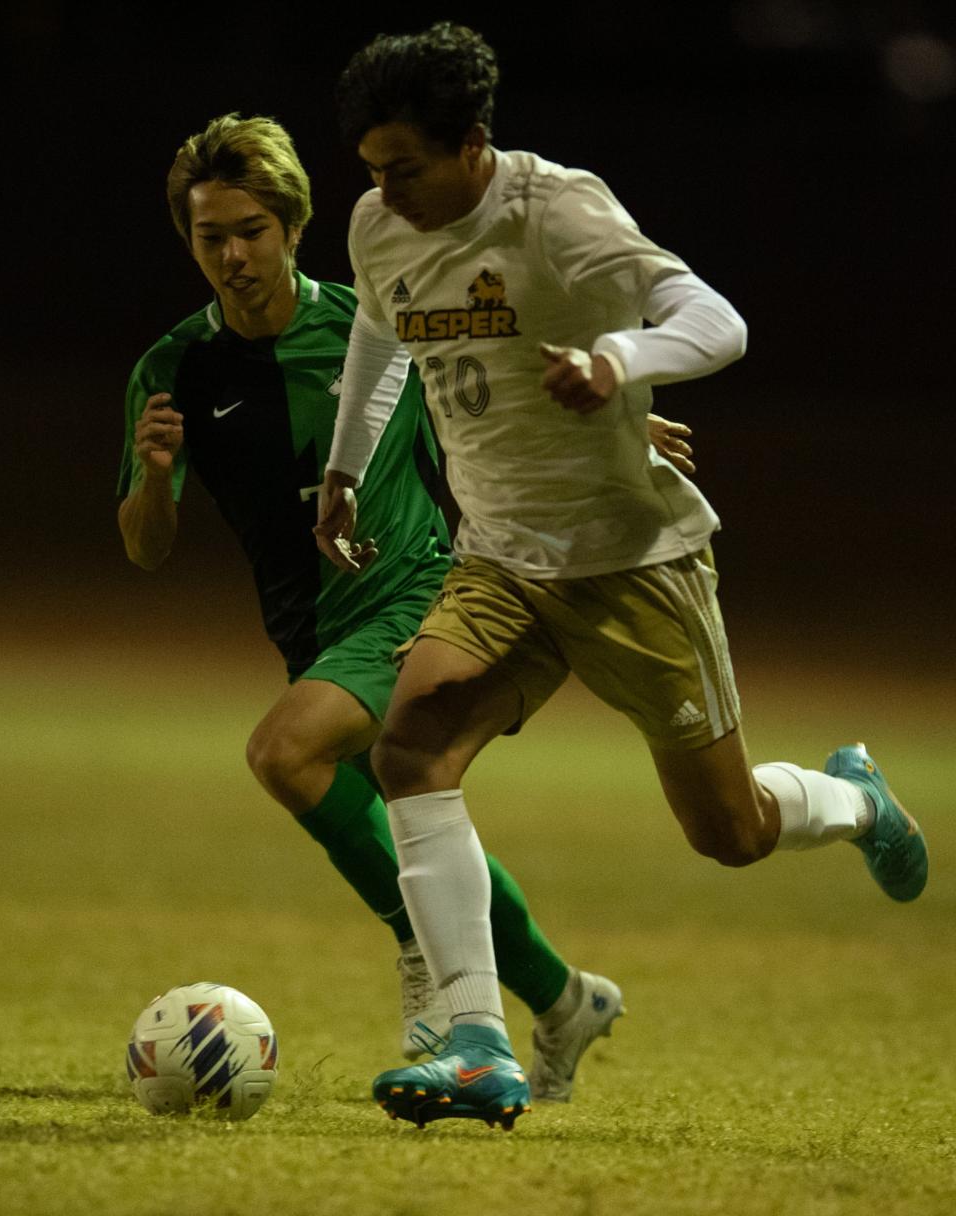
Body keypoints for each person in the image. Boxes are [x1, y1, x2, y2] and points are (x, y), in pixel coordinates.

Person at [320, 23, 929, 1131]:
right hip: (502, 555)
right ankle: (476, 1041)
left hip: (630, 559)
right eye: (369, 167)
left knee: (730, 830)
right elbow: (380, 332)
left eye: (403, 165)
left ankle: (852, 797)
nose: (380, 190)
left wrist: (618, 359)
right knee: (409, 746)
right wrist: (345, 467)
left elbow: (716, 320)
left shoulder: (555, 211)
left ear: (473, 146)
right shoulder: (379, 224)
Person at [117, 112, 696, 1102]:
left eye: (250, 229)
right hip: (313, 633)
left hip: (419, 594)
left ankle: (429, 963)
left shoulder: (372, 323)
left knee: (283, 752)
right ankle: (564, 1000)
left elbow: (503, 396)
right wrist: (153, 472)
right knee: (416, 825)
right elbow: (145, 546)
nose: (232, 254)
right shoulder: (172, 369)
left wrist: (622, 438)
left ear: (292, 225)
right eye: (210, 235)